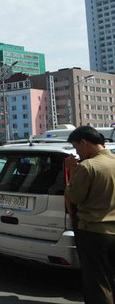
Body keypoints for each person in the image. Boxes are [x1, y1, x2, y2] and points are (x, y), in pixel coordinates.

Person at [64, 125, 115, 303]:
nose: (77, 152)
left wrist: (72, 170)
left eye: (76, 147)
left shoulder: (88, 166)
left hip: (94, 232)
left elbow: (74, 196)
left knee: (97, 282)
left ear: (84, 143)